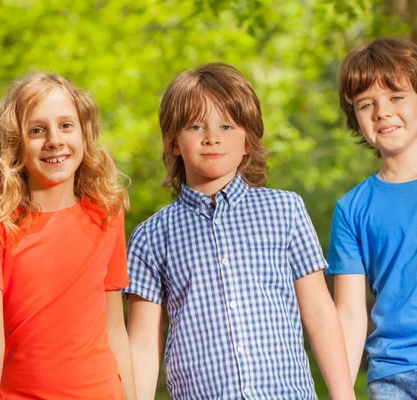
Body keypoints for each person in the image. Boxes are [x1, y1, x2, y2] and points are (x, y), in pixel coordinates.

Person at [124, 62, 355, 400]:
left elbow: (319, 310)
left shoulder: (285, 210)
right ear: (174, 142)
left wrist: (343, 394)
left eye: (228, 125)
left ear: (248, 141)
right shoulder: (150, 237)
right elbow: (143, 343)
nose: (212, 137)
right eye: (195, 126)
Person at [0, 73, 136, 399]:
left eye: (66, 126)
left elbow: (114, 328)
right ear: (16, 143)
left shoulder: (107, 215)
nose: (54, 139)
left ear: (84, 134)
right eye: (37, 130)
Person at [327, 37, 417, 399]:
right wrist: (341, 391)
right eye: (367, 104)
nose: (382, 112)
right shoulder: (352, 209)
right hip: (393, 376)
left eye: (396, 97)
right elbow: (349, 314)